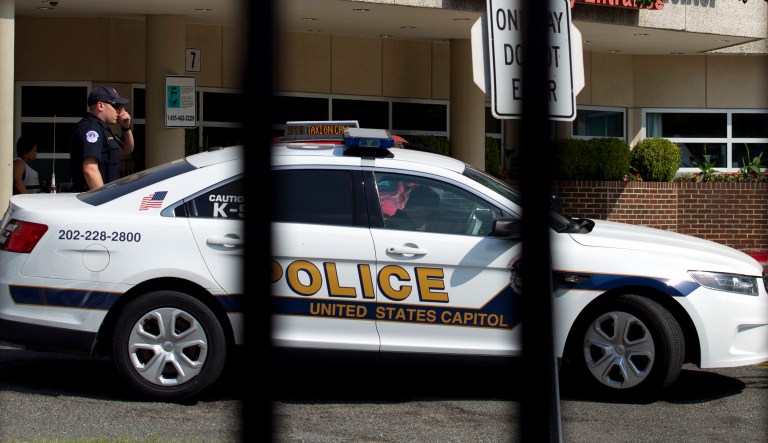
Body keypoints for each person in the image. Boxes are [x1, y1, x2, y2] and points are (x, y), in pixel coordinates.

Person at [68, 86, 134, 191]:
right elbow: (90, 169)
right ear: (100, 106)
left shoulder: (103, 129)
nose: (119, 111)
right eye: (115, 106)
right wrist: (104, 199)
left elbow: (127, 149)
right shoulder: (91, 129)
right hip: (93, 201)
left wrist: (125, 128)